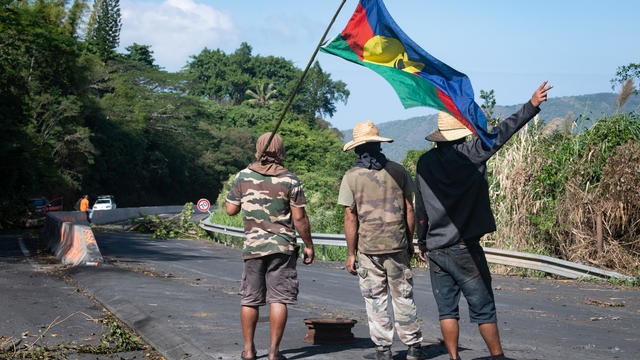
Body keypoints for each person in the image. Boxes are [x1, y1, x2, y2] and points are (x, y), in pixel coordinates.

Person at [414, 82, 553, 360]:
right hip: (464, 247)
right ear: (460, 136)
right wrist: (531, 105)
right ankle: (497, 357)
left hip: (437, 249)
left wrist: (422, 241)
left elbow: (421, 208)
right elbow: (502, 134)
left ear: (438, 138)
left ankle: (454, 358)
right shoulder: (470, 154)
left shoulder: (424, 163)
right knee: (483, 307)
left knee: (447, 309)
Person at [338, 120, 426, 360]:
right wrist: (409, 242)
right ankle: (413, 347)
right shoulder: (398, 171)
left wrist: (351, 253)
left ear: (357, 148)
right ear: (378, 145)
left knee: (376, 299)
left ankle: (383, 349)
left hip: (369, 248)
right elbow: (410, 209)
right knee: (403, 295)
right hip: (397, 244)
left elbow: (350, 216)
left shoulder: (351, 176)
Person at [225, 132, 314, 360]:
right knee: (279, 299)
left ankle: (248, 350)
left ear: (259, 149)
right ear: (280, 151)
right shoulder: (290, 179)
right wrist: (308, 245)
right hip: (282, 248)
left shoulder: (243, 176)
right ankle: (274, 352)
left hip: (254, 247)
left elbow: (230, 210)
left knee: (250, 299)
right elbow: (300, 218)